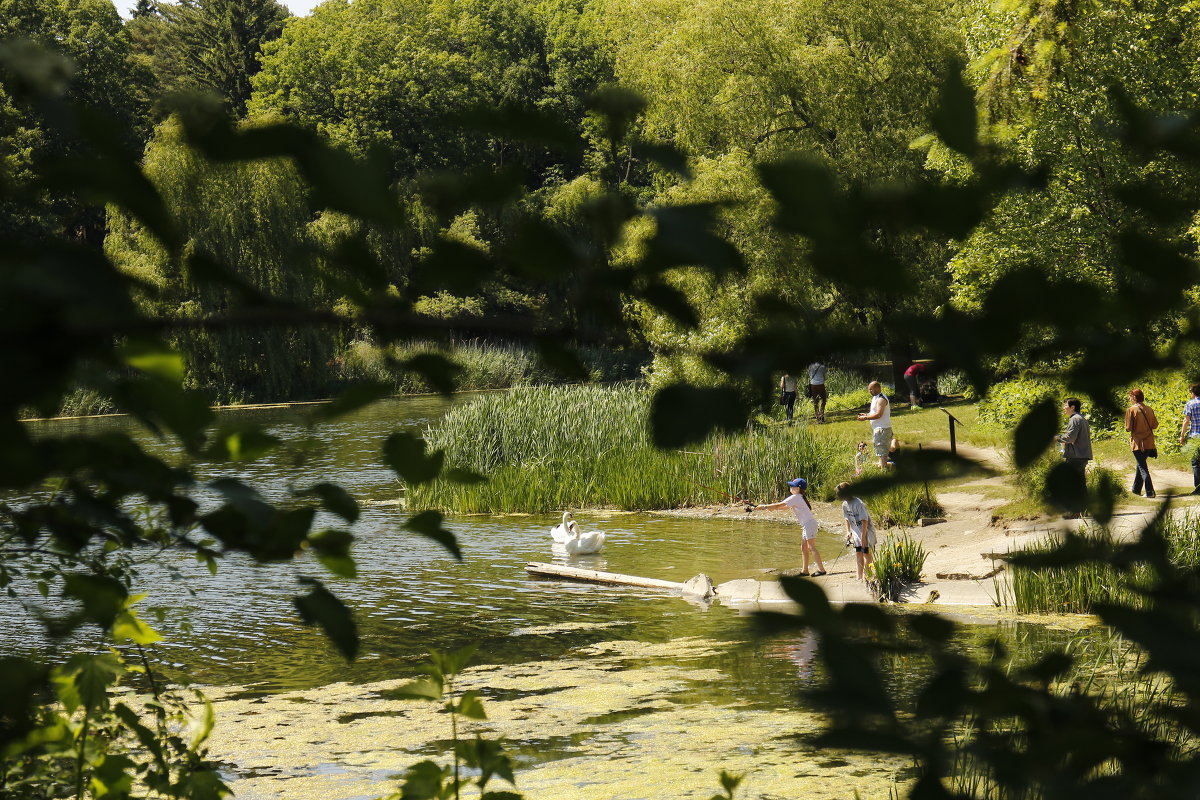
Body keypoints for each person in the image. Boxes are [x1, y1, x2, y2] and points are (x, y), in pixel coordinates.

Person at [749, 477, 827, 576]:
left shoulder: (796, 497)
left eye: (792, 486)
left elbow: (779, 505)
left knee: (811, 547)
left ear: (798, 488)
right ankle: (805, 570)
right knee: (804, 547)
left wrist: (764, 506)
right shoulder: (798, 497)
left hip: (809, 525)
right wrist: (769, 508)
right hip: (807, 525)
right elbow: (784, 507)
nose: (790, 487)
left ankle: (821, 570)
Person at [1057, 397, 1093, 518]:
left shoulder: (1075, 419)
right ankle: (1083, 510)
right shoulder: (1081, 418)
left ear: (1072, 407)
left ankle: (1076, 511)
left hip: (1076, 456)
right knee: (1080, 484)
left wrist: (1057, 438)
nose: (1064, 408)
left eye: (1065, 405)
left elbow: (1070, 438)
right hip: (1082, 455)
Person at [836, 482, 876, 580]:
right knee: (858, 554)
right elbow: (846, 518)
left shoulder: (858, 503)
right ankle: (859, 577)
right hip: (856, 533)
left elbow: (864, 521)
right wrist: (848, 531)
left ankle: (868, 577)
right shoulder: (844, 504)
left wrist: (863, 538)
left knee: (867, 555)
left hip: (867, 532)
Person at [1124, 388, 1158, 498]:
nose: (1130, 398)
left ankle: (1150, 491)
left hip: (1138, 443)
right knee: (1140, 464)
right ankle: (1136, 490)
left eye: (1130, 396)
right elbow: (1155, 425)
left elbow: (1128, 428)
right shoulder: (1149, 408)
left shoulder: (1131, 410)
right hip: (1149, 442)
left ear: (1134, 397)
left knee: (1142, 467)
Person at [856, 381, 892, 470]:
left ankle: (884, 471)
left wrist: (865, 418)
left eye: (871, 389)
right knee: (879, 451)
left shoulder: (881, 399)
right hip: (877, 429)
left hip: (882, 429)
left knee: (882, 452)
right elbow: (873, 412)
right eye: (869, 389)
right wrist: (866, 415)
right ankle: (886, 468)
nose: (870, 391)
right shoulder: (875, 398)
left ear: (877, 388)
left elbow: (879, 414)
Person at [1181, 383, 1200, 493]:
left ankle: (1198, 487)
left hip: (1195, 437)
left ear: (1193, 393)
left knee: (1195, 463)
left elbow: (1186, 421)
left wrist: (1182, 436)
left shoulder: (1190, 404)